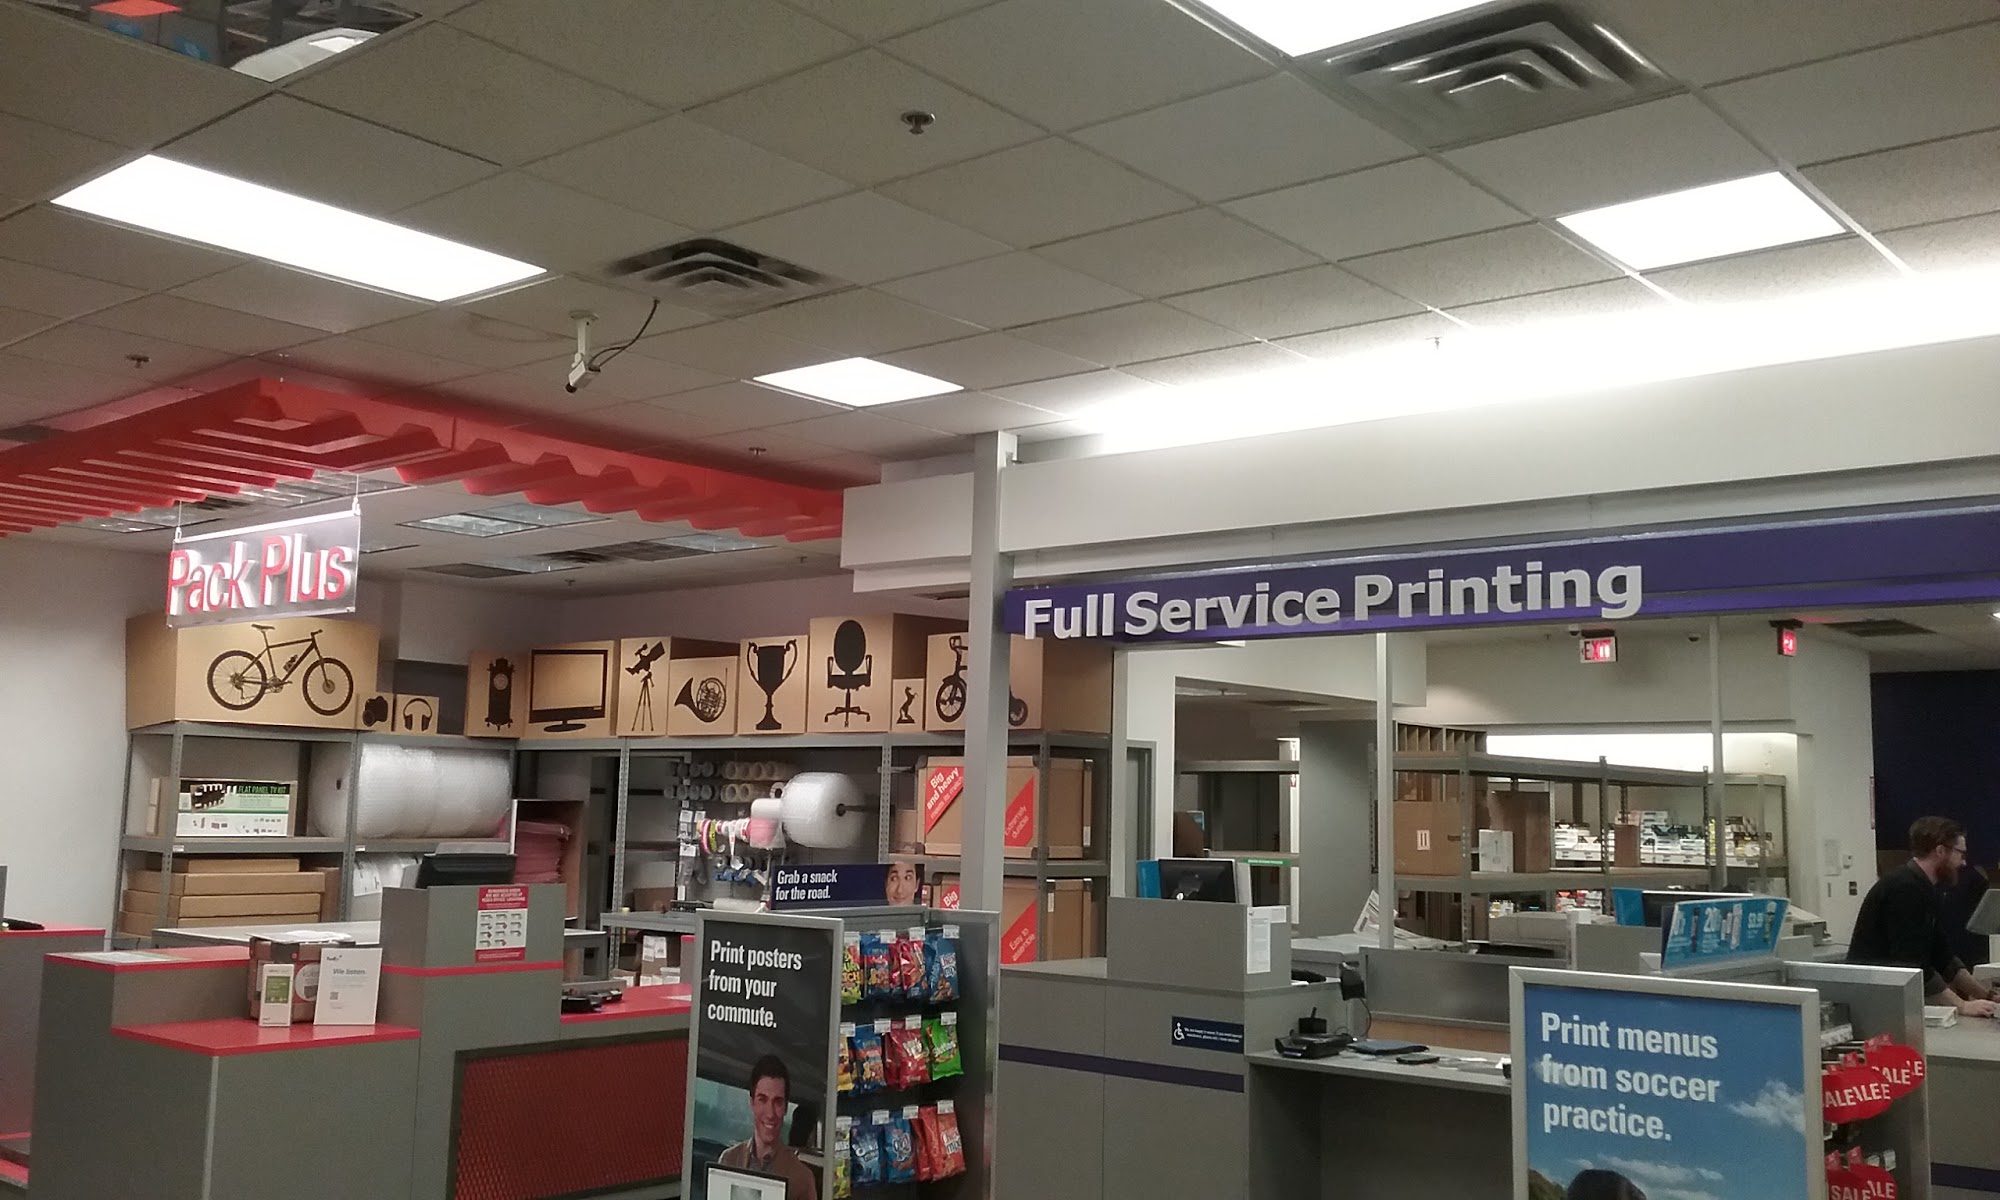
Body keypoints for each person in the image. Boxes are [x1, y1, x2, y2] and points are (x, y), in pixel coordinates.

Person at [1848, 816, 1998, 1016]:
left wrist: (1988, 996)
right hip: (1874, 1001)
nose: (1963, 862)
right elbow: (1913, 965)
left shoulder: (1924, 888)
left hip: (1890, 995)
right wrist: (1962, 1006)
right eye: (1961, 853)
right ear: (1940, 851)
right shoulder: (1904, 889)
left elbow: (1943, 957)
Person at [719, 1055, 819, 1200]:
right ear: (752, 1103)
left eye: (777, 1102)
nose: (770, 1114)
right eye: (762, 1100)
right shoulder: (729, 1160)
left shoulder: (802, 1178)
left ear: (785, 1108)